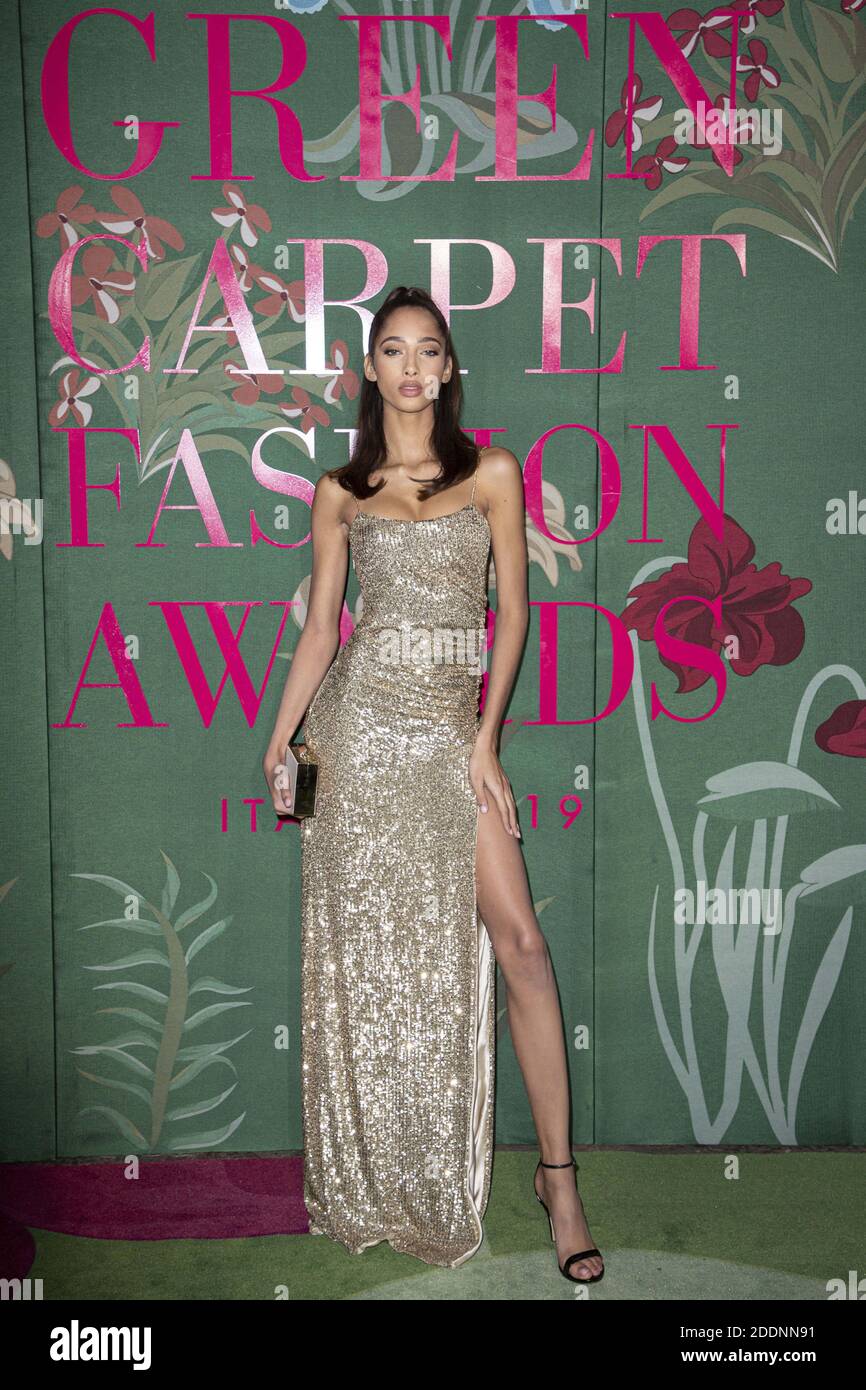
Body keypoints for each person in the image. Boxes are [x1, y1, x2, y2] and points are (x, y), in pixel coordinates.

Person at [263, 286, 604, 1283]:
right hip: (356, 739)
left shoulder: (490, 472)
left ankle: (558, 1180)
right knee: (371, 964)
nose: (411, 367)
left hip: (452, 741)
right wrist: (280, 741)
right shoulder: (341, 489)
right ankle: (378, 1176)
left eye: (429, 351)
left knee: (522, 946)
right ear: (370, 370)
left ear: (449, 369)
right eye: (392, 351)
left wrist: (485, 742)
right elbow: (325, 629)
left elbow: (511, 621)